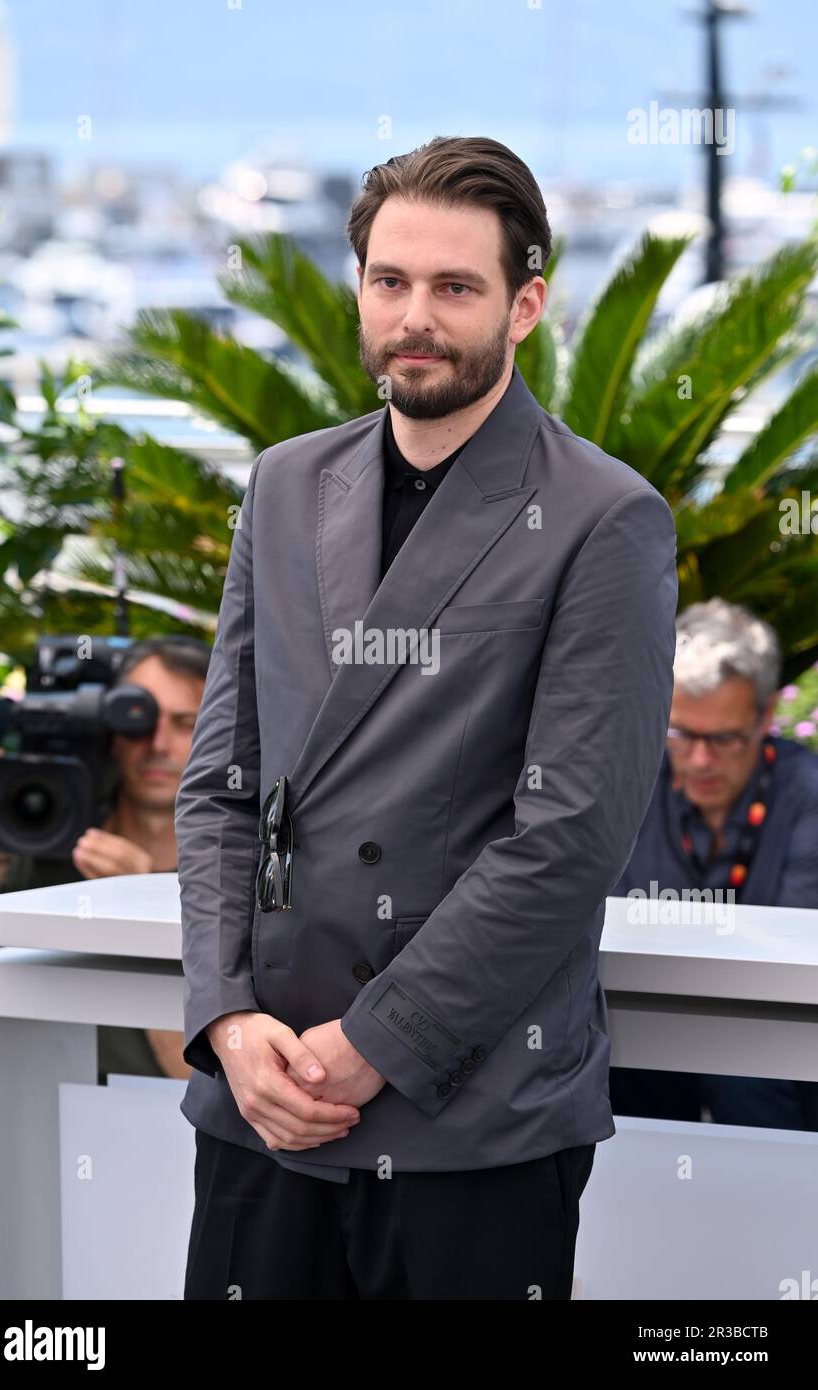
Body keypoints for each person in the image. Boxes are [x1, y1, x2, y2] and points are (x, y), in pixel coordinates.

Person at [176, 134, 679, 1302]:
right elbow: (221, 787)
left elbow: (567, 842)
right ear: (358, 288)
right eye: (390, 281)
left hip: (472, 1116)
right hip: (263, 1102)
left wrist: (372, 1047)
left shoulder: (606, 518)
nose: (417, 316)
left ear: (526, 305)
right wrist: (228, 1018)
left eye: (456, 287)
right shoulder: (286, 481)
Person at [0, 635, 209, 1083]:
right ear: (109, 730)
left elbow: (202, 1088)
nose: (157, 743)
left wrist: (145, 910)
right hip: (33, 1127)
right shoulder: (45, 839)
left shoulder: (241, 873)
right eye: (136, 718)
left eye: (186, 723)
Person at [610, 598, 818, 1129]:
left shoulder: (806, 795)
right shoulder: (627, 783)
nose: (700, 760)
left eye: (724, 739)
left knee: (749, 1070)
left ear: (766, 716)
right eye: (681, 733)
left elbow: (791, 959)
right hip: (643, 1035)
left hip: (778, 1047)